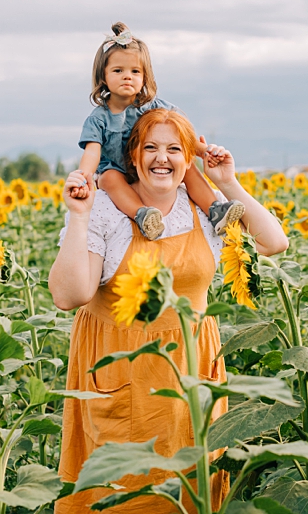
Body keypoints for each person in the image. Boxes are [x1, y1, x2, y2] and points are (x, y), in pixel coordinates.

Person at [50, 109, 288, 514]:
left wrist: (227, 181)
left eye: (174, 149)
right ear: (133, 156)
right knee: (122, 489)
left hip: (193, 369)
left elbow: (273, 242)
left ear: (187, 160)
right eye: (151, 148)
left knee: (190, 486)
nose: (163, 158)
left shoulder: (203, 207)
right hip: (120, 366)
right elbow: (70, 295)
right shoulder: (106, 210)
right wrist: (78, 216)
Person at [67, 22, 244, 241]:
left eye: (135, 71)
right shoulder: (99, 119)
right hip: (118, 171)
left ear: (144, 77)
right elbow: (92, 153)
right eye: (118, 70)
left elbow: (183, 138)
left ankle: (215, 210)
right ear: (103, 77)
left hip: (150, 165)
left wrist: (205, 151)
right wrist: (83, 178)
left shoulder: (153, 107)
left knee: (186, 166)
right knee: (108, 179)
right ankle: (142, 215)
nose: (127, 76)